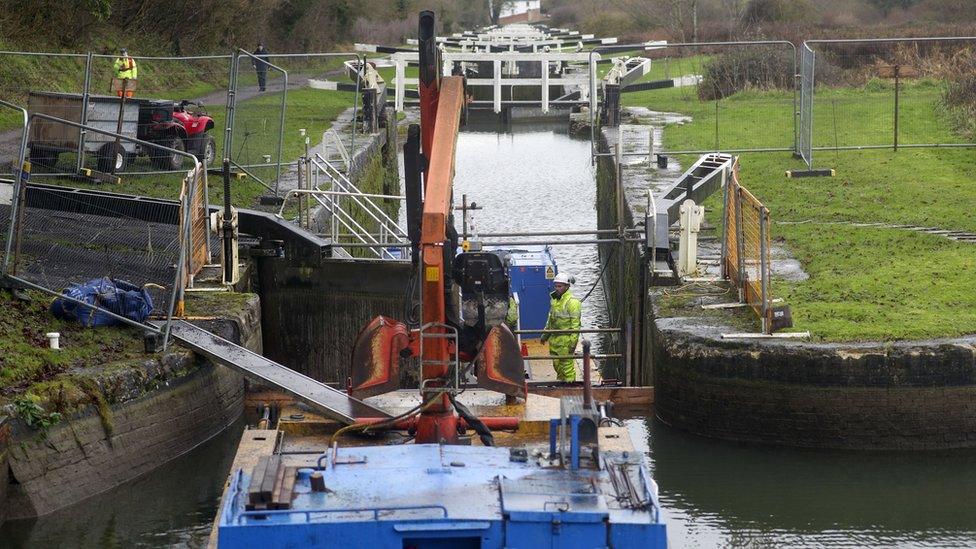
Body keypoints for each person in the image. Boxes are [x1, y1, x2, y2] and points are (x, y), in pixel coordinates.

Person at [540, 272, 581, 382]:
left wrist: (572, 344)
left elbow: (575, 326)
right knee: (557, 366)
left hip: (565, 342)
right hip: (554, 341)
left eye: (560, 286)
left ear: (567, 286)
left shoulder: (573, 303)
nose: (557, 288)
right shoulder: (554, 300)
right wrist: (545, 336)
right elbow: (550, 320)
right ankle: (561, 385)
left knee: (567, 368)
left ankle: (570, 387)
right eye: (556, 286)